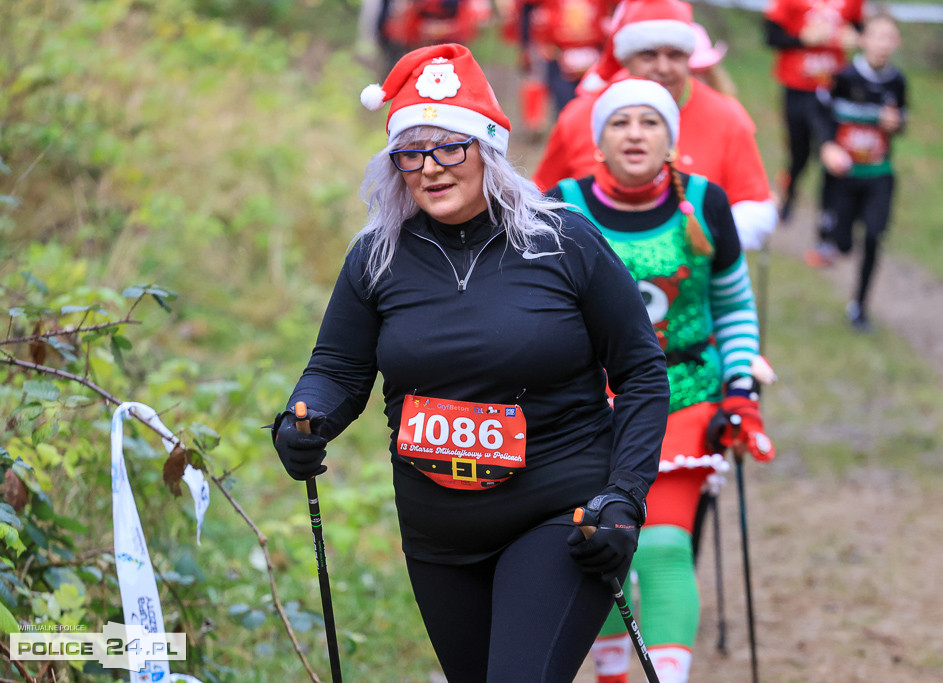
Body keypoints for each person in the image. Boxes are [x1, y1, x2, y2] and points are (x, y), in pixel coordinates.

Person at [270, 43, 670, 683]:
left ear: (488, 151)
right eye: (411, 153)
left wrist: (624, 497)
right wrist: (305, 416)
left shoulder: (563, 241)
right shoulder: (377, 255)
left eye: (448, 148)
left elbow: (642, 373)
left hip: (560, 515)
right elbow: (338, 369)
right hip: (440, 535)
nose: (429, 169)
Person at [548, 77, 775, 683]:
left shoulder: (706, 203)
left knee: (663, 546)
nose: (635, 134)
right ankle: (613, 674)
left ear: (670, 138)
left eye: (650, 122)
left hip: (684, 399)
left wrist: (740, 392)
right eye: (620, 123)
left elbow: (733, 306)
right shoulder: (559, 206)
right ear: (599, 141)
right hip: (585, 409)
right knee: (595, 546)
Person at [533, 0, 777, 252]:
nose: (663, 67)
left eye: (675, 55)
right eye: (649, 54)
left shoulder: (726, 116)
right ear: (626, 58)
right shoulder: (581, 115)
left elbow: (753, 204)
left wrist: (703, 244)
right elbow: (540, 202)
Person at [804, 11, 907, 332]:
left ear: (897, 43)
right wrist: (828, 145)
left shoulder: (897, 81)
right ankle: (832, 239)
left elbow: (901, 122)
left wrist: (897, 124)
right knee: (843, 243)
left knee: (875, 237)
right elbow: (820, 114)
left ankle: (860, 307)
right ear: (863, 40)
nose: (882, 44)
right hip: (845, 177)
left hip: (879, 175)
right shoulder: (845, 77)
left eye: (889, 38)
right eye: (876, 36)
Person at [764, 0, 864, 221]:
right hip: (798, 89)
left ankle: (829, 215)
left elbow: (859, 29)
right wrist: (803, 39)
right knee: (799, 154)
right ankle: (789, 193)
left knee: (831, 150)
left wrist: (855, 38)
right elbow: (770, 37)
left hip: (834, 90)